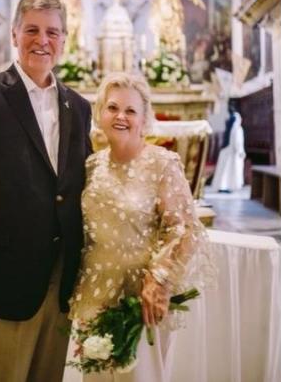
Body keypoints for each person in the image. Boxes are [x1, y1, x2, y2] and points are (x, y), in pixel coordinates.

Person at [0, 0, 94, 382]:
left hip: (60, 278)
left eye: (52, 32)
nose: (43, 40)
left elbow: (81, 185)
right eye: (32, 30)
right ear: (14, 34)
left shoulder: (77, 106)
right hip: (2, 277)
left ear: (64, 39)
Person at [68, 73, 215, 382]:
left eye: (130, 110)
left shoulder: (162, 163)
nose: (120, 116)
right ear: (100, 113)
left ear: (145, 118)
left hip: (142, 299)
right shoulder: (91, 166)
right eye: (112, 108)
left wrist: (159, 280)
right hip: (95, 294)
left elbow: (183, 227)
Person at [211, 110, 246, 193]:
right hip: (233, 154)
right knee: (229, 171)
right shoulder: (238, 129)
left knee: (224, 170)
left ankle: (222, 186)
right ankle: (226, 186)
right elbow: (238, 143)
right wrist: (241, 152)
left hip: (227, 152)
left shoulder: (230, 129)